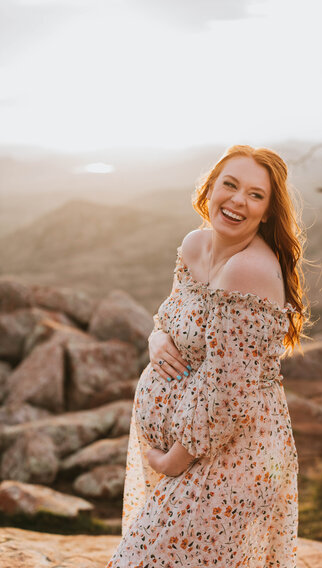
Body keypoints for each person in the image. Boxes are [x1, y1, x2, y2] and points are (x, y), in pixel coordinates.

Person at [105, 144, 309, 568]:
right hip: (193, 448)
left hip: (231, 455)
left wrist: (170, 460)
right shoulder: (194, 245)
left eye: (256, 195)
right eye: (229, 185)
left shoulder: (247, 271)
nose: (238, 200)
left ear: (268, 212)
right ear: (210, 188)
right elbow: (173, 316)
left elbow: (229, 398)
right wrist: (156, 337)